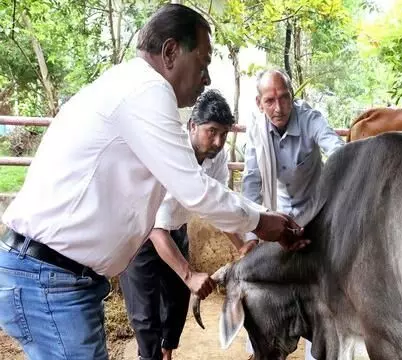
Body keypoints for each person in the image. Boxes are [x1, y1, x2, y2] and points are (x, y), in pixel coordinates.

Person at [0, 5, 307, 360]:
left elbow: (206, 188)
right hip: (51, 279)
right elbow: (195, 190)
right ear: (171, 52)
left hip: (57, 277)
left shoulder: (129, 86)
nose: (206, 78)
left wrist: (258, 221)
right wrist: (264, 222)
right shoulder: (147, 91)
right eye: (203, 62)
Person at [119, 89, 250, 360]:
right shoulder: (169, 150)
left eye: (224, 134)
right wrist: (189, 275)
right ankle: (150, 355)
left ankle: (166, 354)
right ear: (192, 126)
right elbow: (156, 228)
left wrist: (243, 246)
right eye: (211, 131)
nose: (217, 141)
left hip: (176, 231)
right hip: (140, 235)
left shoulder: (217, 156)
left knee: (177, 305)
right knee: (145, 317)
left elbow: (218, 207)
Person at [242, 69, 345, 359]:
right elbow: (251, 182)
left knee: (319, 289)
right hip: (277, 219)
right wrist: (251, 234)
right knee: (271, 287)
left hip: (317, 218)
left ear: (292, 96)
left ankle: (318, 352)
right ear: (259, 103)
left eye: (284, 98)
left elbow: (335, 149)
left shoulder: (311, 119)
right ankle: (262, 350)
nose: (278, 107)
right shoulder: (256, 131)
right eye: (270, 100)